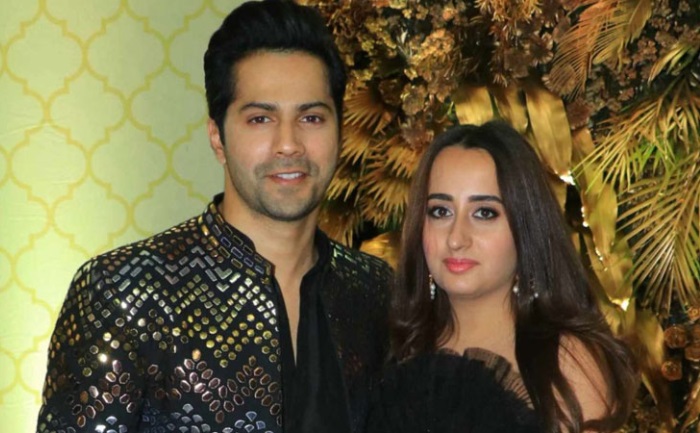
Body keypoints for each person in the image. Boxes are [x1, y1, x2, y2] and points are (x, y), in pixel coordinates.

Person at [36, 1, 392, 433]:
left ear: (339, 132)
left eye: (311, 117)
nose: (289, 144)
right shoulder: (123, 293)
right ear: (217, 137)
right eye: (260, 119)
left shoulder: (377, 292)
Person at [366, 121, 638, 432]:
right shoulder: (389, 349)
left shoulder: (564, 362)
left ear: (525, 227)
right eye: (440, 211)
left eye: (484, 213)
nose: (456, 238)